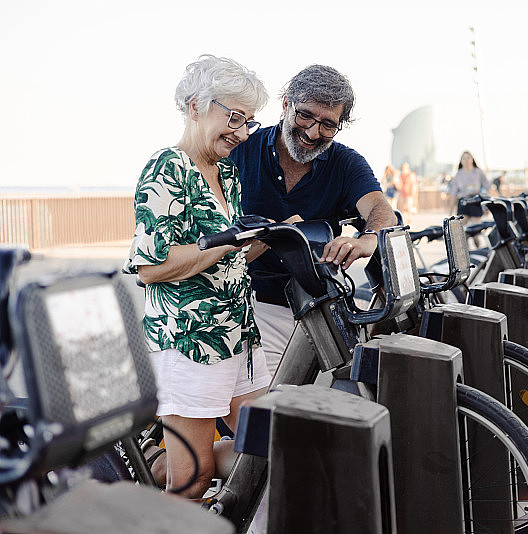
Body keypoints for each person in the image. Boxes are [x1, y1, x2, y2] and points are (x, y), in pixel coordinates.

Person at [122, 55, 270, 499]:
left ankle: (155, 471)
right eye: (234, 118)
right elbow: (152, 266)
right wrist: (229, 240)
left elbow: (227, 257)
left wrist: (272, 237)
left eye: (249, 122)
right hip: (189, 343)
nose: (242, 133)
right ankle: (154, 487)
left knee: (264, 449)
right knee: (192, 483)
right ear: (195, 106)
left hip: (239, 339)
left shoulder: (227, 173)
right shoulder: (166, 168)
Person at [230, 64, 396, 375]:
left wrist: (368, 240)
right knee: (267, 409)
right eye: (305, 115)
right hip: (248, 301)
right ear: (285, 104)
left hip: (316, 306)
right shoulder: (241, 149)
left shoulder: (346, 163)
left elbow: (380, 209)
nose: (312, 132)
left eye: (328, 125)